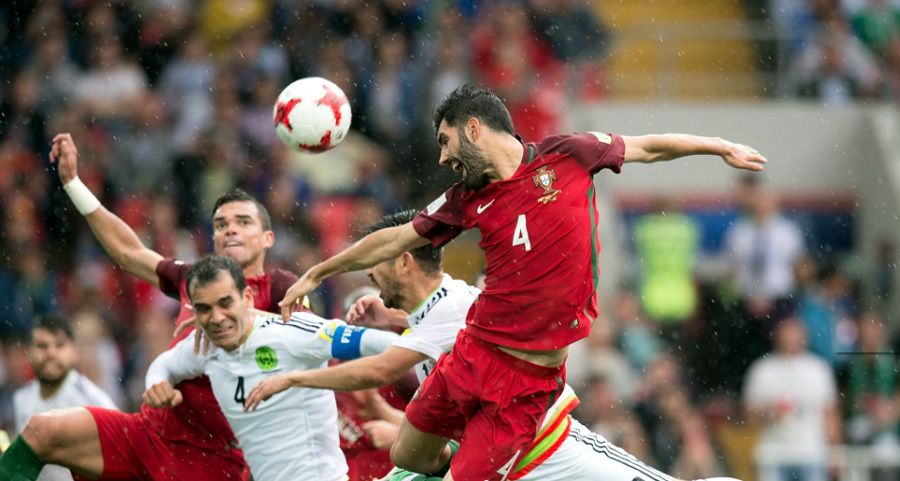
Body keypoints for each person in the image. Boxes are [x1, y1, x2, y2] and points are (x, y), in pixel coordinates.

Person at [278, 84, 767, 481]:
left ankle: (491, 466)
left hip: (524, 383)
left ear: (473, 128)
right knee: (407, 454)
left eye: (447, 142)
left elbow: (649, 147)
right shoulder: (465, 199)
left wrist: (718, 147)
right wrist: (319, 271)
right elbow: (393, 240)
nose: (445, 158)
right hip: (472, 353)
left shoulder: (570, 154)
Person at [249, 210, 742, 481]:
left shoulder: (443, 311)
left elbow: (378, 369)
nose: (369, 271)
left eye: (377, 259)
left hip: (543, 447)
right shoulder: (441, 305)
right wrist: (392, 316)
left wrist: (293, 376)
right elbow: (433, 330)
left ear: (403, 263)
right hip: (490, 459)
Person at [0, 133, 298, 480]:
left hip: (215, 457)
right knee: (41, 431)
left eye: (243, 222)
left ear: (267, 238)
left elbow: (312, 340)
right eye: (221, 224)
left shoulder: (280, 286)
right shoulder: (194, 278)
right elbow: (129, 252)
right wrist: (74, 184)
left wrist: (230, 318)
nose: (230, 229)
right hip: (149, 432)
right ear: (212, 238)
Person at [143, 255, 400, 481]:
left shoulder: (293, 332)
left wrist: (408, 329)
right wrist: (157, 384)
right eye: (204, 309)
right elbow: (165, 364)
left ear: (247, 297)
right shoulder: (206, 345)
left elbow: (389, 344)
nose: (217, 318)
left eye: (225, 303)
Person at [12, 315, 118, 481]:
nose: (51, 353)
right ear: (29, 353)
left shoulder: (91, 402)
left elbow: (120, 458)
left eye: (59, 345)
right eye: (42, 346)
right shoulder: (21, 399)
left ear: (74, 352)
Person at [742, 316, 841, 481]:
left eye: (794, 333)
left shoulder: (818, 369)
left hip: (811, 453)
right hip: (773, 453)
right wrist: (771, 412)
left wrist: (836, 453)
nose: (790, 338)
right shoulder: (762, 369)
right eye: (786, 333)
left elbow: (829, 414)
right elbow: (748, 413)